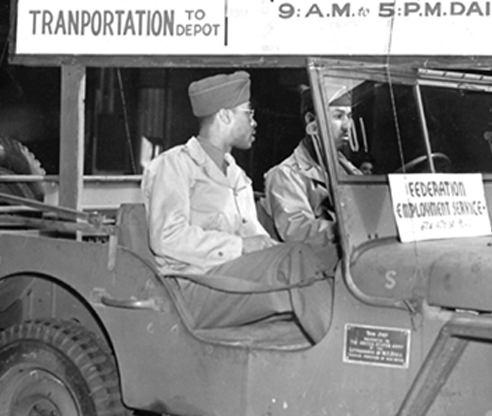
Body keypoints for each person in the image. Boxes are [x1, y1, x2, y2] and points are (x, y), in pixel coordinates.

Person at [141, 71, 336, 343]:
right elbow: (167, 239)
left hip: (230, 281)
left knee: (322, 256)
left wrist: (280, 248)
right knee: (296, 260)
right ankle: (337, 342)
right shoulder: (174, 165)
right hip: (193, 288)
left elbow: (257, 239)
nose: (254, 123)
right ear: (224, 116)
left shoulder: (238, 176)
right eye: (249, 114)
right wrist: (242, 247)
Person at [264, 87, 358, 247]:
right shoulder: (286, 174)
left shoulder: (350, 170)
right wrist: (342, 230)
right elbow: (296, 230)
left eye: (349, 116)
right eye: (338, 116)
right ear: (310, 121)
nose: (346, 125)